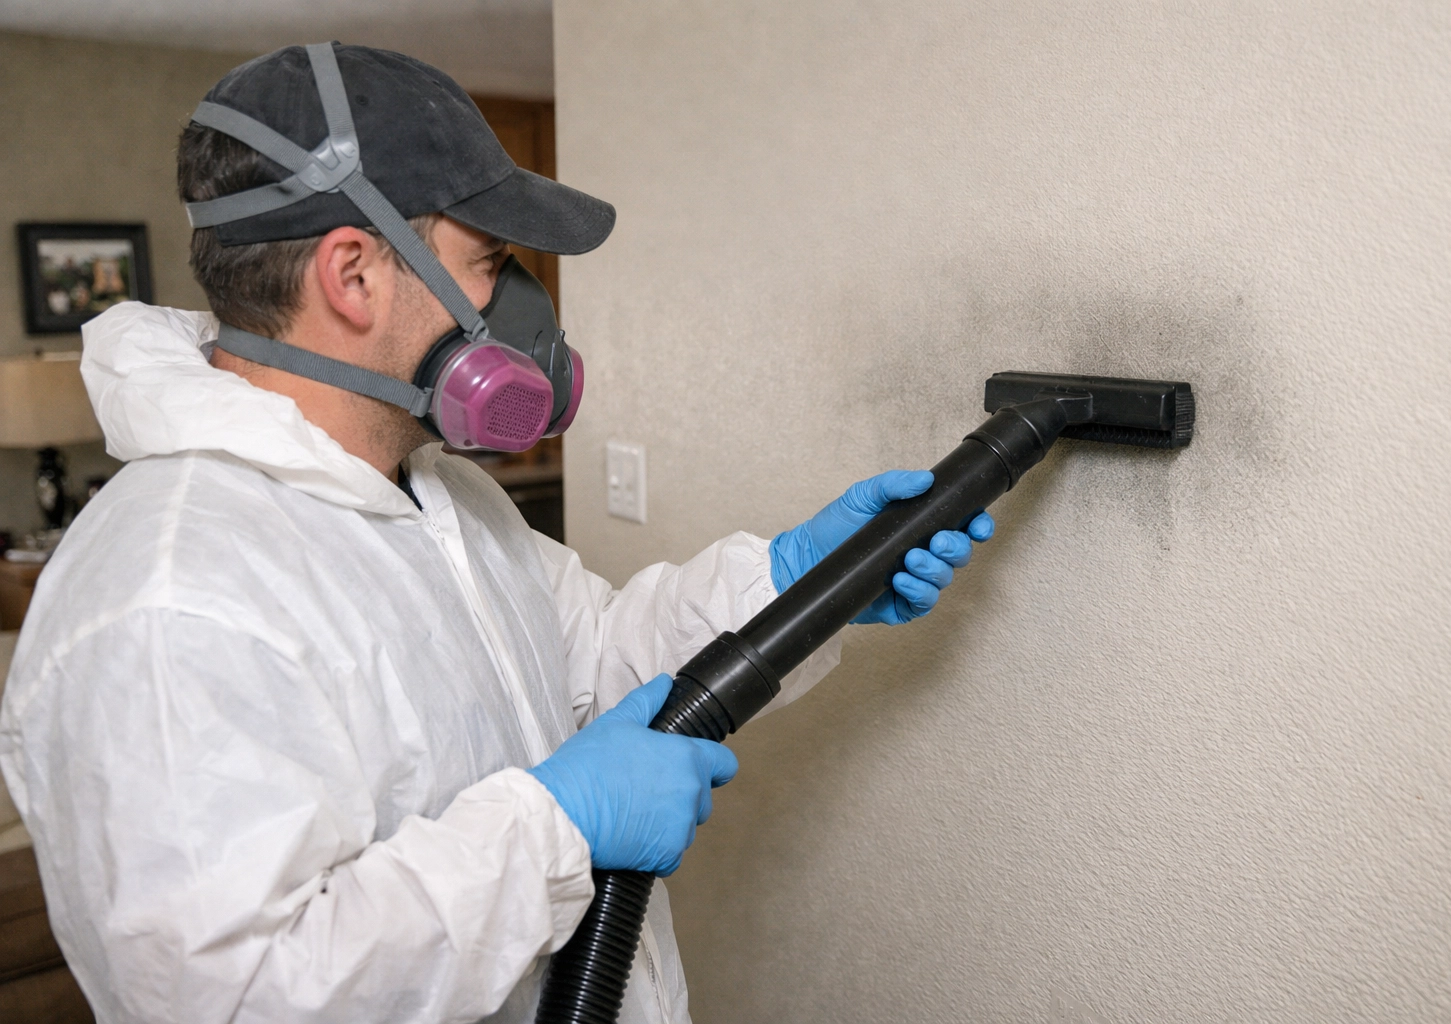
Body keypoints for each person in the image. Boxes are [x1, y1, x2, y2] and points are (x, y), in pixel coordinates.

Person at [0, 43, 992, 1024]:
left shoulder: (438, 496)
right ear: (355, 275)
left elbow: (597, 661)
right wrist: (557, 828)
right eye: (490, 262)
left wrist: (799, 582)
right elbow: (242, 995)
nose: (522, 308)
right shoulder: (172, 593)